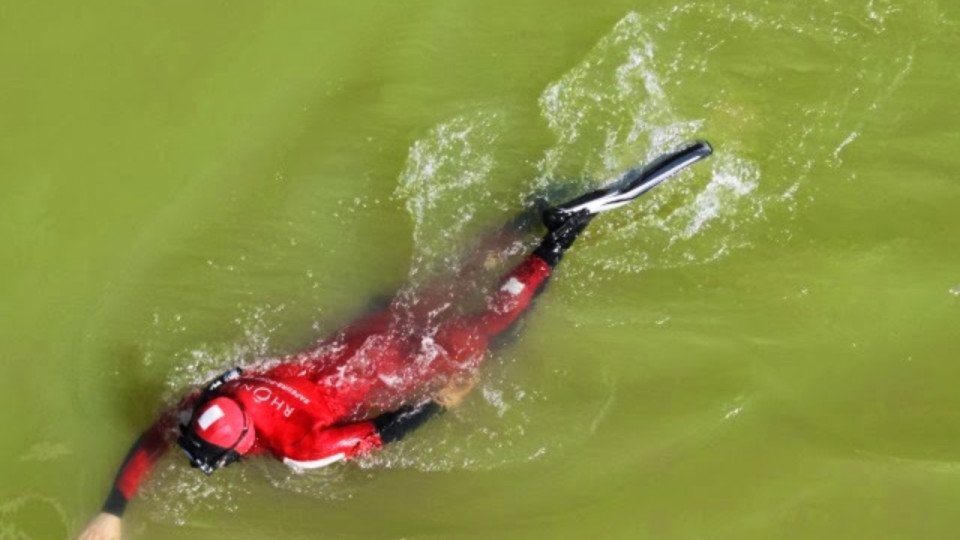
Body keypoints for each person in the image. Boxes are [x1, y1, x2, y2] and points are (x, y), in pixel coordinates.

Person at [77, 141, 712, 540]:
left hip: (407, 365)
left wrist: (441, 404)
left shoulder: (302, 450)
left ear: (243, 441)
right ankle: (531, 212)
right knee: (450, 278)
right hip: (371, 330)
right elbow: (162, 433)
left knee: (497, 325)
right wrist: (114, 509)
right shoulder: (223, 393)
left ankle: (561, 234)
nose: (207, 460)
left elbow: (384, 431)